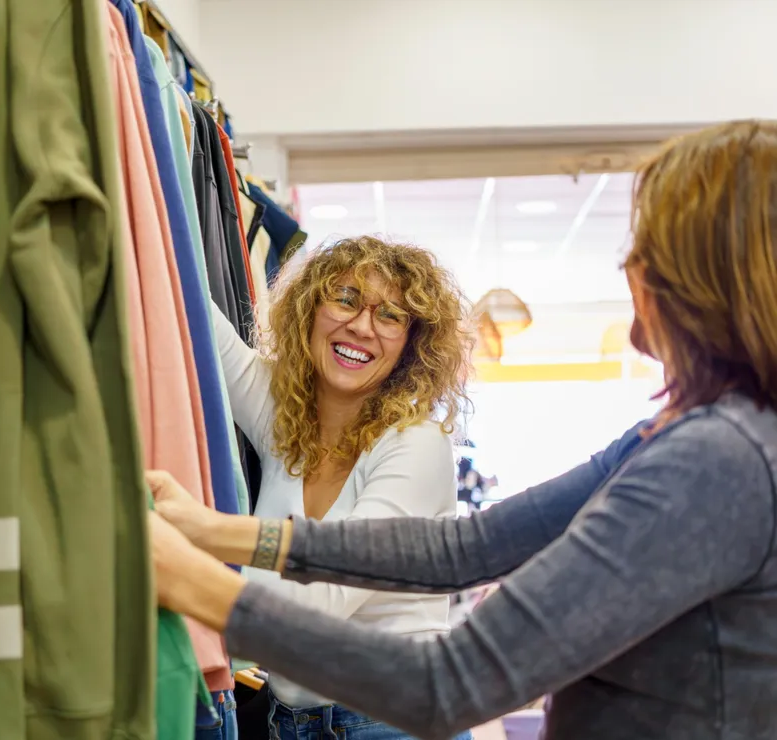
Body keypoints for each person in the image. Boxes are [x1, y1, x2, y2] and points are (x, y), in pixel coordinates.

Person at [150, 119, 777, 740]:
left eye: (647, 247)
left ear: (699, 279)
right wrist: (215, 531)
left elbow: (447, 686)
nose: (628, 263)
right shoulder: (685, 436)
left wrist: (198, 583)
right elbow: (464, 549)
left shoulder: (715, 461)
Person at [190, 235, 474, 740]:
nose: (362, 326)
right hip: (291, 721)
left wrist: (183, 564)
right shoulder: (284, 418)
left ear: (412, 345)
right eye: (345, 299)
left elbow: (321, 603)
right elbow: (191, 311)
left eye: (390, 316)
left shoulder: (416, 445)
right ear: (309, 311)